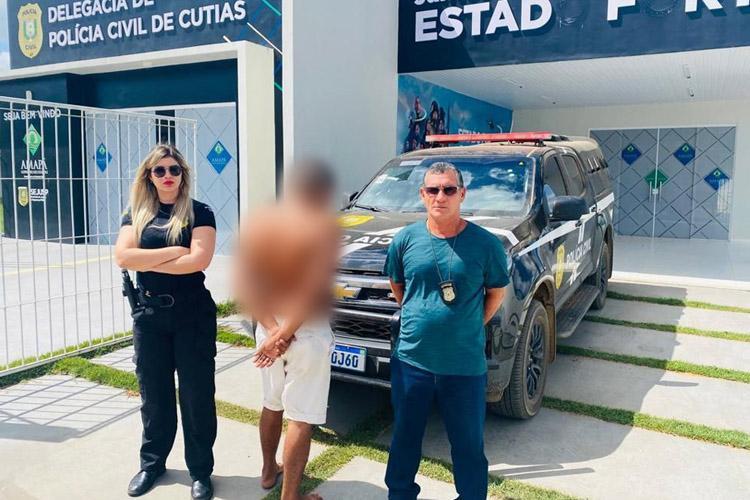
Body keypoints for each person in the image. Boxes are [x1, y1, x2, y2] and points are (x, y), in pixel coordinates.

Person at [383, 162, 510, 500]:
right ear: (422, 194)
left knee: (468, 445)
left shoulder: (486, 245)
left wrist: (469, 325)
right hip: (412, 361)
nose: (440, 196)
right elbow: (398, 287)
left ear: (462, 194)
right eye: (433, 189)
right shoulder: (405, 240)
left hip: (464, 365)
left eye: (449, 189)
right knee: (404, 439)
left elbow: (496, 292)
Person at [115, 144, 218, 500]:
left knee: (196, 396)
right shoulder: (136, 213)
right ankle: (152, 464)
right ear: (149, 175)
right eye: (159, 170)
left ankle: (200, 471)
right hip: (149, 316)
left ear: (182, 175)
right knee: (154, 395)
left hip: (192, 316)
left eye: (174, 169)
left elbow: (198, 261)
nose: (168, 176)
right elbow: (123, 257)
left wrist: (145, 259)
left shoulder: (200, 212)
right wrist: (175, 251)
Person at [233, 160, 339, 500]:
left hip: (270, 330)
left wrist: (272, 333)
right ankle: (291, 496)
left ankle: (268, 471)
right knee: (300, 418)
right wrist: (283, 335)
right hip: (305, 334)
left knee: (272, 403)